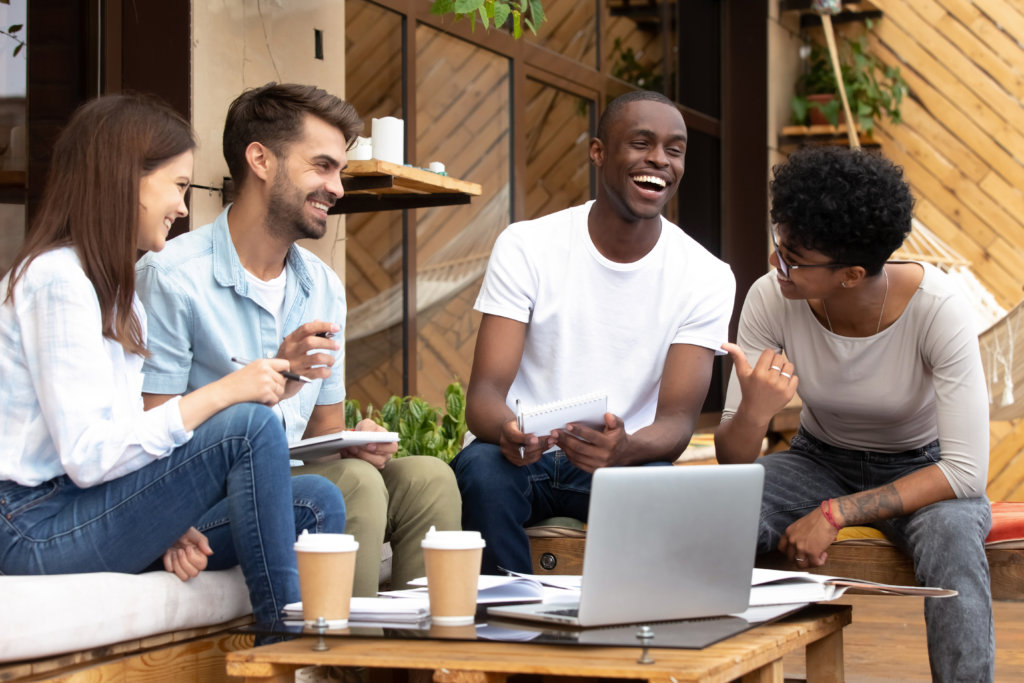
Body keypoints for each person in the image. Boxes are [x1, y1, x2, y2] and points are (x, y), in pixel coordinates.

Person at [0, 94, 347, 628]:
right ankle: (289, 651)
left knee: (317, 501)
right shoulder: (55, 280)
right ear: (124, 180)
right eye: (178, 186)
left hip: (79, 507)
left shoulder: (118, 294)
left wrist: (161, 518)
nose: (184, 208)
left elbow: (115, 447)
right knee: (247, 425)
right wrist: (228, 390)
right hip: (28, 527)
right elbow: (88, 456)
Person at [135, 82, 461, 597]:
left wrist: (355, 444)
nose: (337, 188)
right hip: (204, 502)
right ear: (261, 160)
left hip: (295, 485)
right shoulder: (173, 278)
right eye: (323, 166)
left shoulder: (322, 286)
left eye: (340, 172)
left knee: (427, 478)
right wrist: (275, 374)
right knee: (350, 488)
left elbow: (321, 437)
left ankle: (421, 665)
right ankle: (339, 666)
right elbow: (155, 440)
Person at [716, 145, 993, 682]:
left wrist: (834, 514)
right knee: (723, 511)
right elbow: (732, 462)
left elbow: (964, 472)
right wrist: (754, 411)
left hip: (924, 470)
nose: (778, 262)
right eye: (780, 241)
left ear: (852, 274)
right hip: (818, 460)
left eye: (795, 256)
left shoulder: (938, 309)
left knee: (953, 541)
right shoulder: (771, 297)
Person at [452, 90, 736, 574]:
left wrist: (625, 448)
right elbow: (484, 394)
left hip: (621, 462)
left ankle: (625, 635)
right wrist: (510, 432)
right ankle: (508, 620)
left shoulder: (707, 275)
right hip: (521, 457)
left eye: (674, 149)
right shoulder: (528, 246)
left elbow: (676, 424)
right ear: (599, 152)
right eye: (641, 143)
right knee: (481, 473)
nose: (659, 161)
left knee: (661, 488)